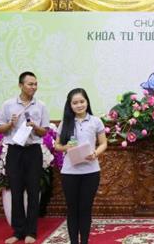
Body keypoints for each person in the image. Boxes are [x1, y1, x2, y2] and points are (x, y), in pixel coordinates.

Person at [0, 71, 50, 244]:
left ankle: (31, 232)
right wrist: (10, 124)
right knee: (16, 190)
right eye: (30, 84)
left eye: (35, 84)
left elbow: (44, 132)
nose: (34, 87)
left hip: (33, 151)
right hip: (14, 151)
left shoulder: (41, 106)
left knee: (34, 191)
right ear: (21, 85)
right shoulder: (8, 105)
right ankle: (18, 231)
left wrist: (35, 126)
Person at [55, 88, 107, 244]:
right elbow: (57, 145)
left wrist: (95, 153)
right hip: (69, 172)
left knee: (85, 209)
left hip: (91, 172)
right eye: (75, 103)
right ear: (70, 105)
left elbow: (103, 143)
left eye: (82, 101)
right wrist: (66, 147)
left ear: (87, 102)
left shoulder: (96, 121)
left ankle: (84, 241)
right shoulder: (65, 123)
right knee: (72, 209)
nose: (79, 105)